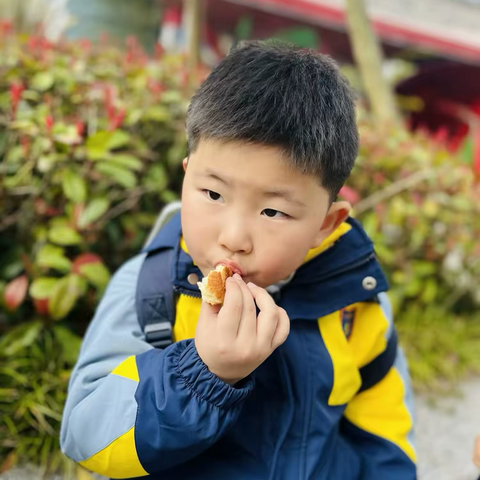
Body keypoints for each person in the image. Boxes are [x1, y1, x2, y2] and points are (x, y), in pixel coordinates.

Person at [60, 41, 416, 479]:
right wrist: (204, 373)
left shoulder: (355, 304)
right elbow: (85, 436)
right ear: (187, 175)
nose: (233, 238)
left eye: (273, 211)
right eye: (213, 194)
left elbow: (385, 437)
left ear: (326, 223)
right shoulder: (151, 290)